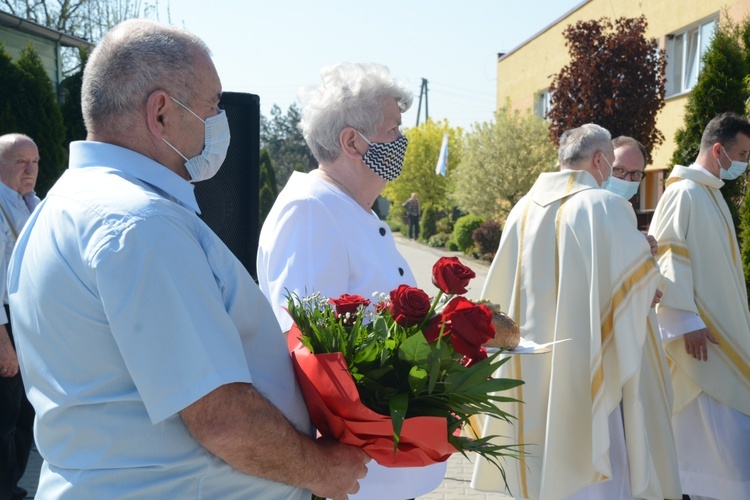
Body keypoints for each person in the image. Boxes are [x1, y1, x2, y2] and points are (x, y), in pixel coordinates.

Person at [7, 19, 368, 499]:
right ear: (160, 113)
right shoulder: (140, 225)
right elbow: (223, 420)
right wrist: (323, 471)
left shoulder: (62, 206)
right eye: (212, 106)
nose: (219, 121)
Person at [257, 62, 446, 500]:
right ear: (351, 141)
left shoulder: (351, 208)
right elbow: (311, 353)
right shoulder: (311, 211)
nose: (402, 141)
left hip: (379, 471)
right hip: (354, 479)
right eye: (393, 130)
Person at [471, 124, 681, 499]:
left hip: (530, 360)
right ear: (600, 160)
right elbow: (639, 287)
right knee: (598, 464)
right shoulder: (604, 206)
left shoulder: (522, 207)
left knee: (538, 460)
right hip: (587, 357)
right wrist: (646, 262)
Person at [649, 112, 750, 500]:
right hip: (700, 335)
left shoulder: (709, 193)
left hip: (720, 329)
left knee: (723, 435)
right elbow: (667, 254)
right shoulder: (683, 192)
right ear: (719, 149)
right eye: (742, 153)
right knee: (714, 433)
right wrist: (684, 319)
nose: (745, 163)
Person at [0, 134, 39, 500]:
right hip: (6, 322)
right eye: (20, 163)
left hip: (29, 317)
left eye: (35, 163)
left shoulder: (36, 205)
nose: (30, 171)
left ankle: (12, 487)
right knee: (5, 418)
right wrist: (4, 344)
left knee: (27, 412)